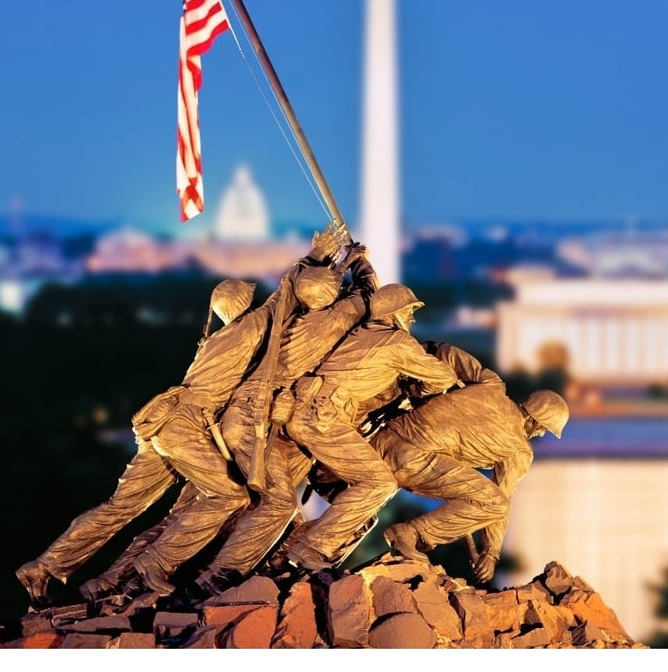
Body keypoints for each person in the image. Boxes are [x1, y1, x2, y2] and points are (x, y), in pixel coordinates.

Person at [15, 231, 340, 606]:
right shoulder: (245, 332)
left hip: (162, 424)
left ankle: (44, 565)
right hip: (183, 424)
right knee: (227, 495)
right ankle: (158, 563)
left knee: (119, 507)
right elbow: (284, 298)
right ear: (243, 306)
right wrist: (317, 256)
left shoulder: (217, 339)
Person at [187, 243, 379, 596]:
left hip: (252, 418)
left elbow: (289, 290)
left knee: (273, 501)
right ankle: (218, 575)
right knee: (277, 503)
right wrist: (359, 264)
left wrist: (327, 262)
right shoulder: (333, 321)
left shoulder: (287, 320)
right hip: (252, 422)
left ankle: (271, 563)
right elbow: (371, 298)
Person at [279, 283, 460, 572]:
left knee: (358, 505)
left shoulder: (360, 335)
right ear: (394, 314)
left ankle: (304, 551)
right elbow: (443, 377)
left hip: (310, 414)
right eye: (408, 313)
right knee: (380, 483)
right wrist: (415, 389)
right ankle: (310, 548)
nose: (411, 320)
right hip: (323, 420)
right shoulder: (397, 343)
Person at [370, 344, 569, 583]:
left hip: (382, 438)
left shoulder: (491, 384)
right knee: (494, 503)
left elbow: (447, 353)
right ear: (537, 423)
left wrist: (422, 369)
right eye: (544, 430)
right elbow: (498, 504)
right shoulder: (518, 450)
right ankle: (409, 534)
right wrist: (491, 553)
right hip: (409, 460)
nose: (541, 435)